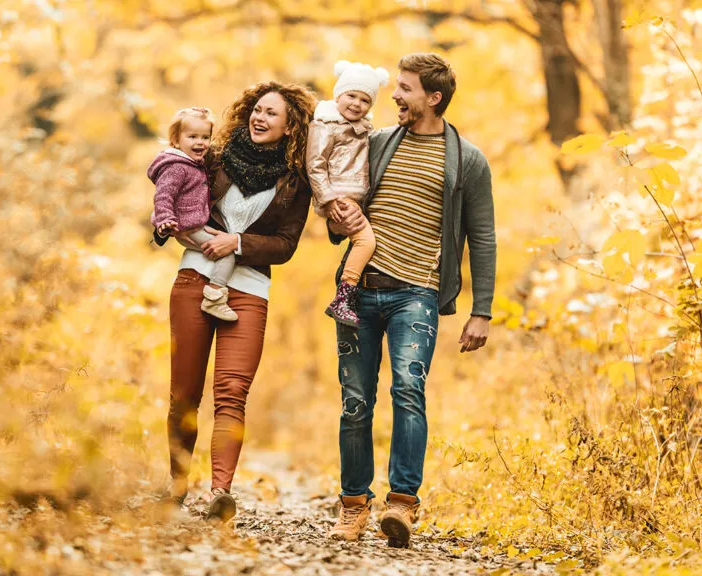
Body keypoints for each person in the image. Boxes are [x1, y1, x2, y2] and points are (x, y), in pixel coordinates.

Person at [325, 53, 496, 548]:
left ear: (433, 98)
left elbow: (481, 237)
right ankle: (353, 506)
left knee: (407, 390)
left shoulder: (467, 159)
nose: (394, 95)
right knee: (355, 402)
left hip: (416, 295)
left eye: (404, 88)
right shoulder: (376, 144)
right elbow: (343, 207)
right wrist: (338, 219)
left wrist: (480, 310)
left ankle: (402, 504)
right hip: (357, 291)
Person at [154, 82, 317, 523]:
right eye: (257, 110)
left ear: (290, 127)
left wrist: (238, 243)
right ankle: (176, 484)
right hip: (195, 278)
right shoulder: (215, 157)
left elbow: (285, 245)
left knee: (231, 394)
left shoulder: (295, 179)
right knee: (184, 393)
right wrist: (166, 224)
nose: (259, 118)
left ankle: (220, 494)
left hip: (250, 292)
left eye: (271, 115)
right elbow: (173, 184)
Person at [306, 60, 390, 327]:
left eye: (365, 100)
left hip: (353, 196)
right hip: (339, 196)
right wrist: (327, 199)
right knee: (367, 242)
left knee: (365, 242)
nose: (356, 104)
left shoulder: (364, 128)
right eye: (351, 96)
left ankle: (348, 295)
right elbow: (315, 164)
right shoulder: (325, 124)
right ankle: (345, 296)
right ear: (338, 95)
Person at [150, 107, 238, 321]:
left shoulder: (192, 163)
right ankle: (214, 297)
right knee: (227, 253)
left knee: (217, 243)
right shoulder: (177, 167)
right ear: (176, 140)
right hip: (186, 226)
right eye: (192, 137)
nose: (200, 142)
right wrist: (165, 221)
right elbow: (163, 196)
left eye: (205, 137)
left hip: (195, 225)